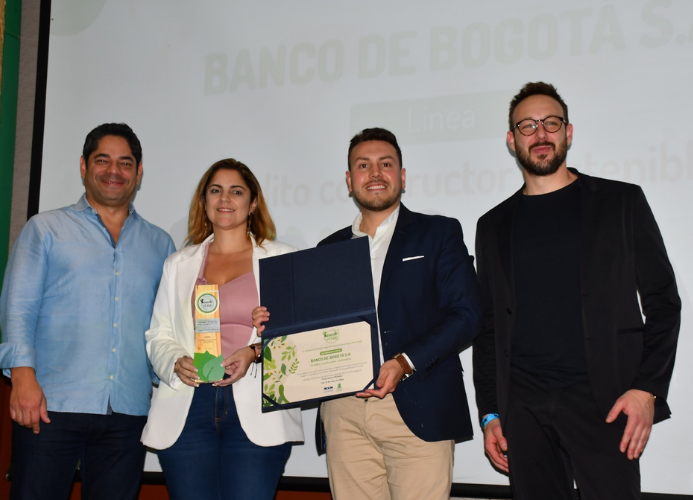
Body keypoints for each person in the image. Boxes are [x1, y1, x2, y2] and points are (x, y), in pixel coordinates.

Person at [472, 82, 681, 500]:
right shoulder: (492, 225)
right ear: (512, 141)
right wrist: (491, 413)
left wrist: (647, 390)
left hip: (604, 400)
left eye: (551, 122)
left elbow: (663, 300)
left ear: (569, 132)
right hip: (524, 405)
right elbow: (489, 327)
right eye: (527, 126)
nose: (541, 133)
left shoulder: (621, 202)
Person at [284, 127, 480, 500]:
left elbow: (467, 315)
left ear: (402, 177)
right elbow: (313, 330)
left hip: (418, 403)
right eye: (363, 165)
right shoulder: (329, 248)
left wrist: (404, 362)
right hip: (344, 412)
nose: (375, 173)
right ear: (349, 180)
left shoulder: (438, 233)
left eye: (385, 164)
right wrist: (276, 326)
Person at [0, 123, 176, 500]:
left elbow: (167, 325)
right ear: (83, 166)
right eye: (102, 160)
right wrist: (22, 379)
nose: (114, 171)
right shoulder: (46, 229)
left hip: (127, 410)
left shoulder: (160, 243)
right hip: (49, 404)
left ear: (139, 172)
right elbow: (18, 307)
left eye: (125, 163)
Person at [140, 158, 304, 500]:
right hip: (188, 407)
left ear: (253, 203)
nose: (225, 198)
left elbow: (302, 338)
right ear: (204, 201)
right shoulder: (178, 263)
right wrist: (173, 361)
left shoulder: (282, 259)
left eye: (236, 191)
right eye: (215, 190)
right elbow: (159, 334)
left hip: (257, 407)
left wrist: (255, 351)